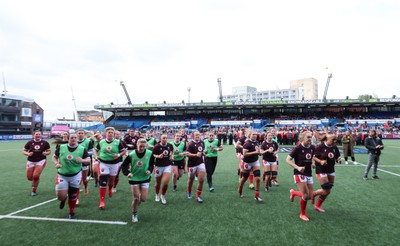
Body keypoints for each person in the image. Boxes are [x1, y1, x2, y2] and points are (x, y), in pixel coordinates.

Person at [52, 133, 91, 219]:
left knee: (73, 195)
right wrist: (57, 163)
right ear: (68, 139)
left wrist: (82, 160)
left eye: (75, 138)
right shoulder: (61, 147)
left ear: (77, 139)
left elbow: (88, 161)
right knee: (60, 197)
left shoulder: (82, 149)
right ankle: (63, 199)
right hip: (62, 175)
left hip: (75, 175)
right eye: (72, 137)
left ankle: (71, 211)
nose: (73, 139)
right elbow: (54, 157)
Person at [121, 138, 154, 223]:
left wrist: (150, 170)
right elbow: (124, 165)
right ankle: (134, 213)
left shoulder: (150, 153)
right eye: (140, 146)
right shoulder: (131, 154)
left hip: (145, 178)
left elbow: (151, 164)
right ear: (137, 145)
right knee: (136, 198)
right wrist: (127, 173)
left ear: (146, 146)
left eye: (144, 146)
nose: (142, 148)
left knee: (143, 199)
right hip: (134, 178)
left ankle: (136, 203)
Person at [94, 127, 126, 209]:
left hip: (114, 164)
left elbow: (124, 151)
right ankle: (102, 201)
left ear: (114, 134)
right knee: (103, 182)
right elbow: (96, 150)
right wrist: (96, 156)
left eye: (112, 132)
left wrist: (118, 155)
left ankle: (110, 188)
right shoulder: (101, 142)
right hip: (103, 163)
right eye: (109, 132)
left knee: (111, 182)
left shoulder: (117, 142)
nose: (110, 133)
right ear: (106, 133)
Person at [286, 130, 315, 222]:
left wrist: (313, 163)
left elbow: (312, 157)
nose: (310, 139)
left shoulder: (312, 147)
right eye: (308, 137)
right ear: (302, 138)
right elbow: (288, 159)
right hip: (299, 173)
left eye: (311, 137)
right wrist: (298, 167)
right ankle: (302, 214)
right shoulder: (298, 148)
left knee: (310, 196)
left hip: (308, 173)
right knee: (305, 195)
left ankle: (294, 193)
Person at [312, 133, 342, 213]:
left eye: (336, 139)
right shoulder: (320, 146)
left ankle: (317, 204)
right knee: (326, 189)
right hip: (321, 169)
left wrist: (338, 159)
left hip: (331, 170)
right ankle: (313, 195)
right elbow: (313, 156)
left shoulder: (334, 147)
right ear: (327, 139)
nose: (335, 141)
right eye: (333, 139)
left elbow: (337, 156)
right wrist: (320, 161)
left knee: (327, 190)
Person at [22, 131, 51, 196]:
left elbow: (49, 151)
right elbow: (24, 150)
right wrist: (28, 154)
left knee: (35, 176)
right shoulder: (30, 142)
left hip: (41, 160)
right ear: (33, 135)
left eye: (39, 134)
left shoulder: (45, 142)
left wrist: (46, 153)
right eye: (36, 134)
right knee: (29, 178)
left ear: (41, 135)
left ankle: (34, 190)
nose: (38, 135)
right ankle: (36, 180)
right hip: (31, 161)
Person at [238, 130, 263, 202]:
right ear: (249, 135)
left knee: (258, 179)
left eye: (255, 134)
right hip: (247, 163)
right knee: (244, 178)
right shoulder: (247, 143)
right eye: (253, 134)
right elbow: (245, 154)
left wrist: (259, 153)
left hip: (255, 161)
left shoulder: (256, 142)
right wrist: (255, 152)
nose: (255, 135)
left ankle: (257, 195)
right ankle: (240, 189)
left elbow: (257, 151)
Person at [152, 134, 174, 205]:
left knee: (166, 183)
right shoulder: (157, 146)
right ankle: (157, 194)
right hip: (158, 166)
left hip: (167, 165)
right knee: (158, 183)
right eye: (163, 138)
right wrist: (158, 156)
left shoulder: (169, 145)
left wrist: (171, 156)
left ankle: (163, 195)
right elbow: (153, 154)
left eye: (166, 138)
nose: (165, 139)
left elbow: (172, 151)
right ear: (160, 139)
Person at [185, 131, 206, 203]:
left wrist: (203, 153)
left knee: (201, 180)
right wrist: (195, 155)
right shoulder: (190, 144)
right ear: (193, 136)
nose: (198, 136)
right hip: (192, 165)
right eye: (196, 135)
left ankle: (198, 196)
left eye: (199, 134)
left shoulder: (202, 142)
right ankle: (189, 191)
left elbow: (202, 151)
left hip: (200, 163)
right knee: (191, 179)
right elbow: (187, 154)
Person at [76, 129, 94, 205]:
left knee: (84, 179)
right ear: (77, 134)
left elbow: (92, 151)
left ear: (84, 134)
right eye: (79, 133)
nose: (80, 134)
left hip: (84, 163)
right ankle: (76, 199)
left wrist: (84, 153)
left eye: (82, 133)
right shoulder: (74, 141)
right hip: (76, 163)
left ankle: (86, 187)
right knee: (77, 182)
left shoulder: (88, 142)